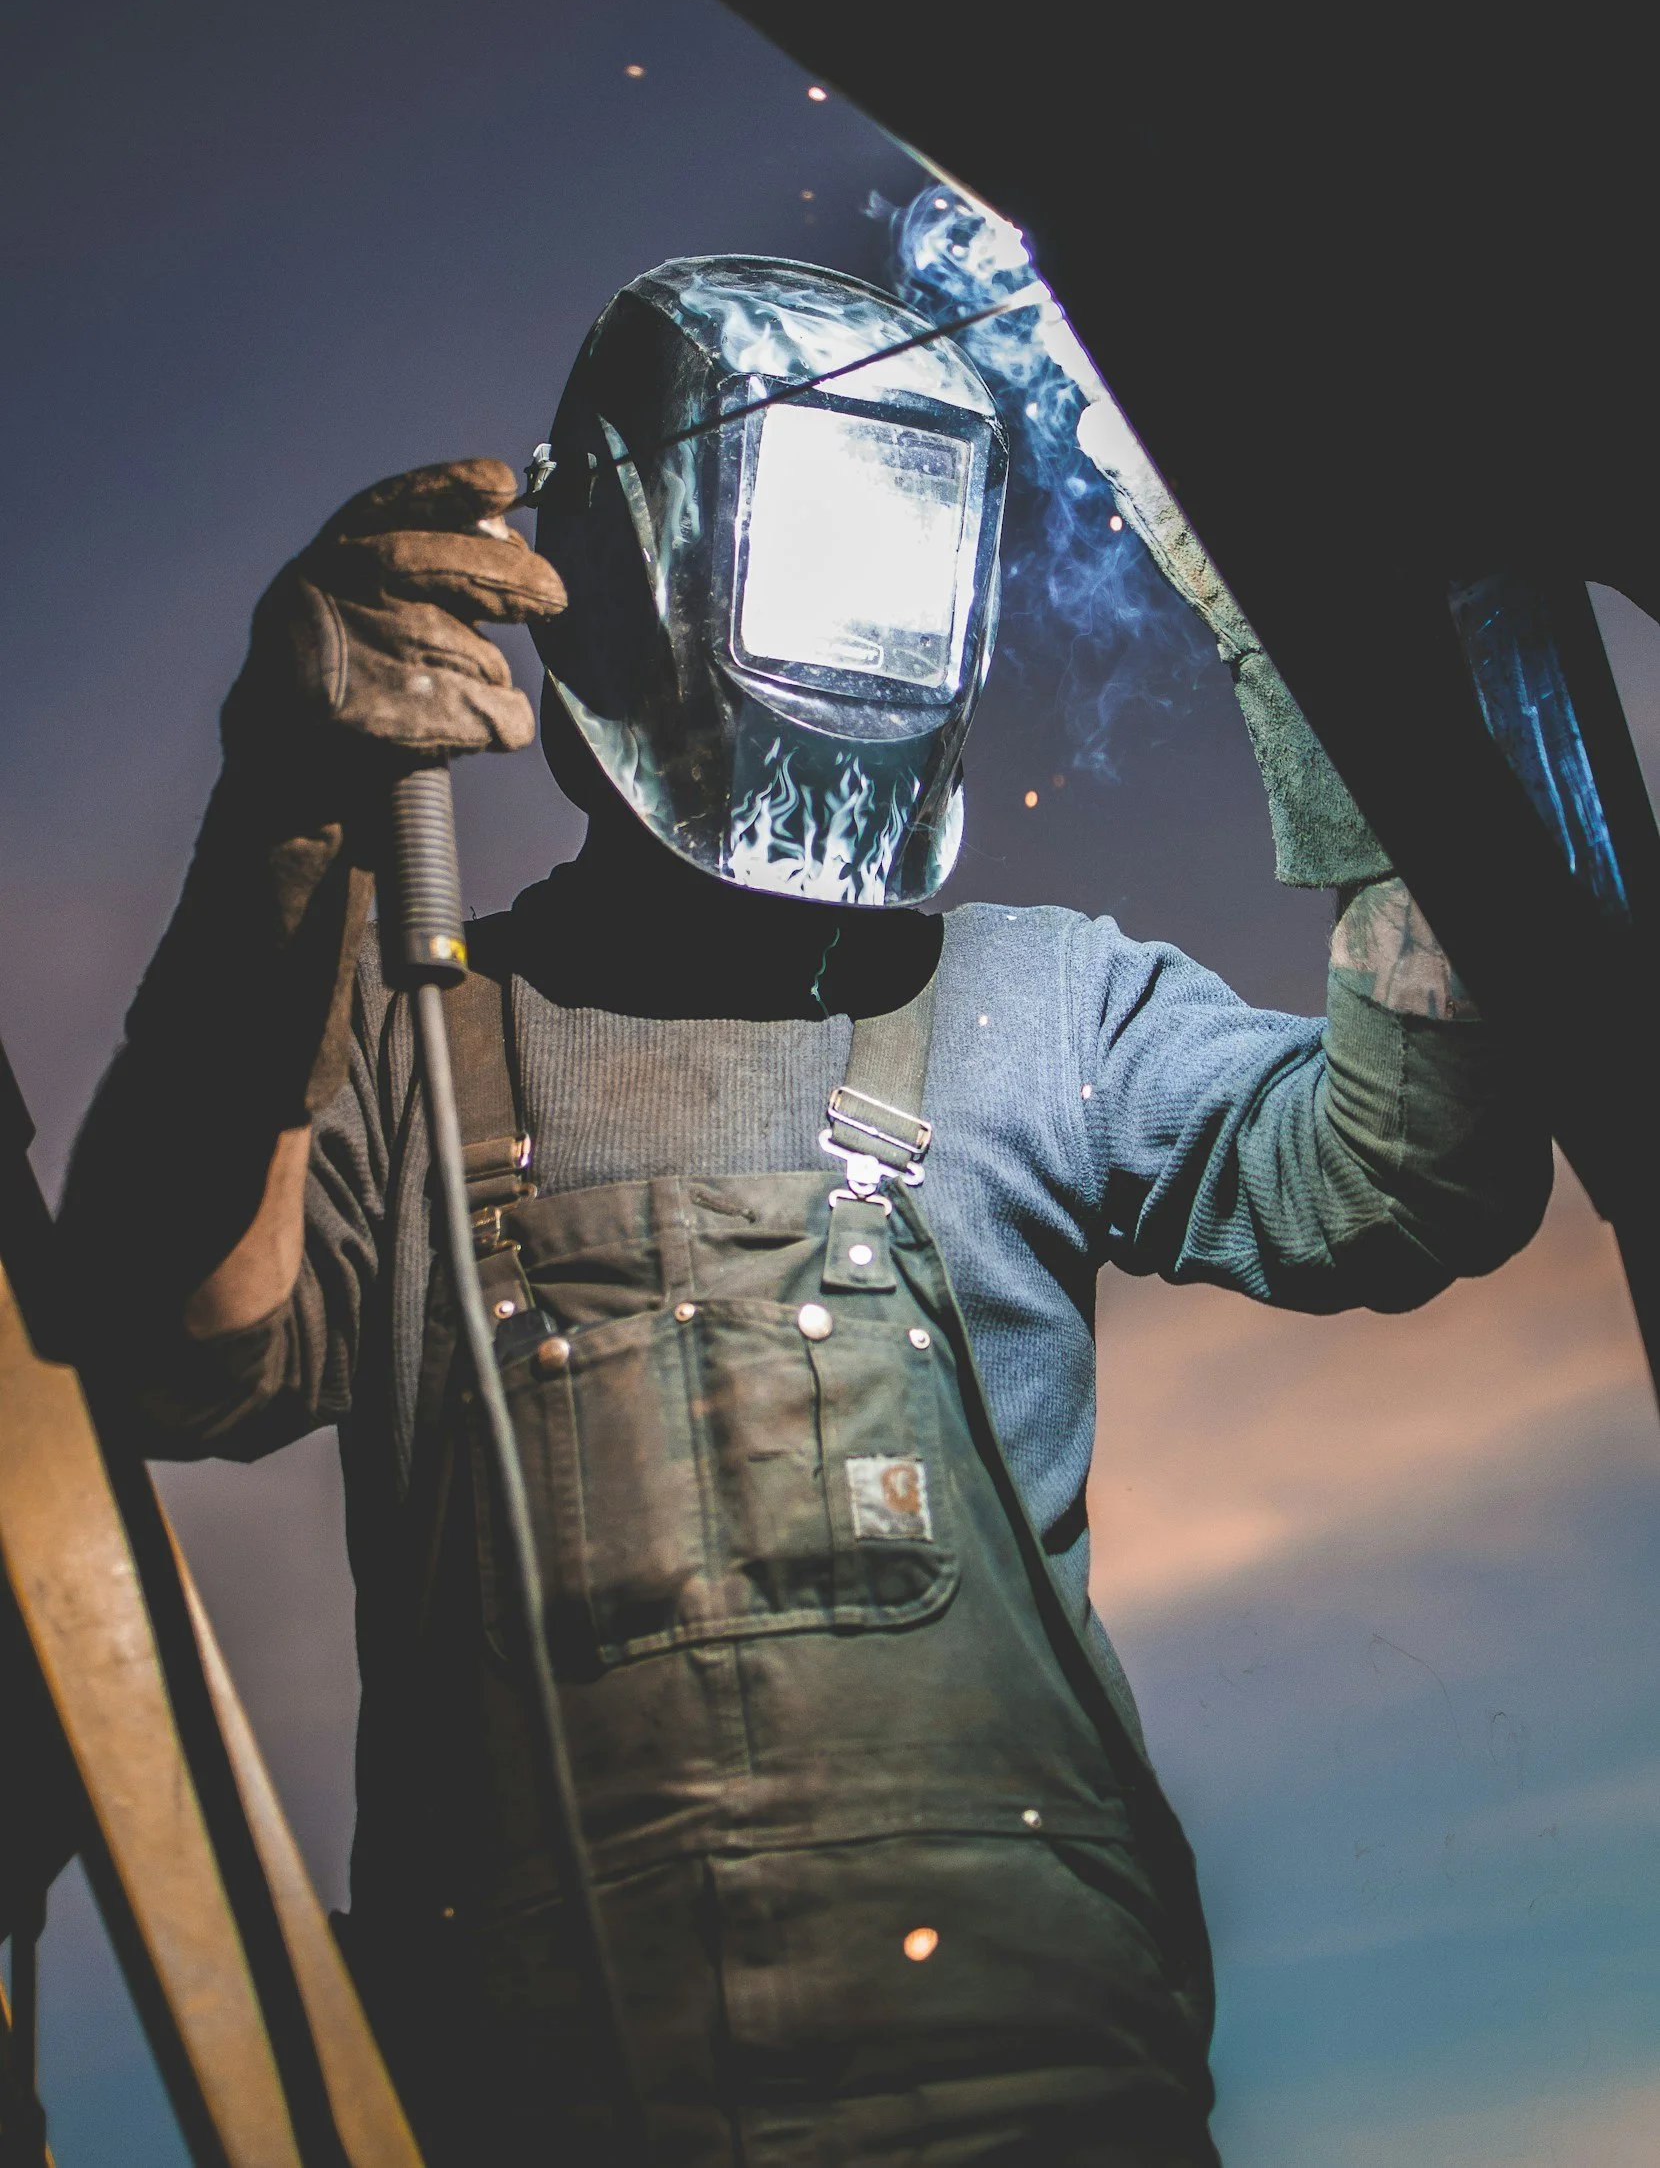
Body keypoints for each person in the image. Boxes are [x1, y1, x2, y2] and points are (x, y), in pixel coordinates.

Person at [60, 258, 1550, 2166]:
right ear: (634, 572)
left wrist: (1325, 654)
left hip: (1040, 2095)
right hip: (549, 2115)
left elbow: (1414, 1177)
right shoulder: (400, 1040)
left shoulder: (1040, 1002)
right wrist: (278, 831)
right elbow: (178, 1343)